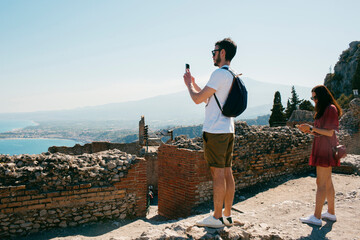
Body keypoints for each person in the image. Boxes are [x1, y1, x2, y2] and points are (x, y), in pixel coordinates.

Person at [183, 38, 238, 228]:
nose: (213, 55)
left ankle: (216, 218)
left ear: (222, 53)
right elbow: (210, 98)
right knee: (228, 173)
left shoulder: (218, 73)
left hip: (215, 131)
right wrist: (196, 83)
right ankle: (227, 215)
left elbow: (198, 99)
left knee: (218, 175)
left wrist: (189, 85)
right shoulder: (231, 75)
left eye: (214, 52)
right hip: (229, 130)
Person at [297, 85, 342, 226]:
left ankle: (316, 217)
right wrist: (308, 130)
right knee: (327, 182)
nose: (314, 100)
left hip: (325, 149)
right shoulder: (324, 110)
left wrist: (311, 128)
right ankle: (331, 212)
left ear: (322, 96)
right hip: (322, 147)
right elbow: (320, 131)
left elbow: (330, 132)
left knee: (321, 183)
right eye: (312, 98)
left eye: (315, 97)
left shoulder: (330, 109)